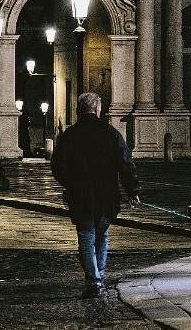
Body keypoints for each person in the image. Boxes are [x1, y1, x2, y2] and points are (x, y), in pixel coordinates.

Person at [51, 92, 140, 298]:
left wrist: (71, 183)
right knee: (102, 235)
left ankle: (94, 280)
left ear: (79, 110)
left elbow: (57, 166)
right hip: (107, 195)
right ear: (98, 110)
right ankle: (99, 275)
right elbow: (125, 164)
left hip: (81, 195)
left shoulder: (70, 135)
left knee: (86, 235)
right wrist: (132, 191)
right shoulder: (111, 134)